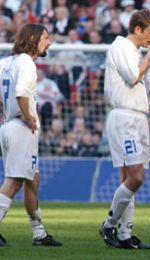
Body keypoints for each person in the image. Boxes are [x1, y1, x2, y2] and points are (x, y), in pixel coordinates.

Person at [99, 10, 150, 249]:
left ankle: (125, 234)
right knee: (136, 177)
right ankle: (108, 224)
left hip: (137, 118)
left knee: (128, 178)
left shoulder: (133, 51)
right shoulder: (120, 46)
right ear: (137, 29)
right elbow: (133, 77)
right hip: (124, 118)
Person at [0, 24, 62, 246]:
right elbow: (20, 94)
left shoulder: (6, 62)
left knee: (32, 179)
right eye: (46, 37)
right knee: (15, 180)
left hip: (8, 125)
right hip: (20, 127)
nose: (49, 42)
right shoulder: (27, 63)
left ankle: (39, 233)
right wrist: (27, 116)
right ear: (34, 38)